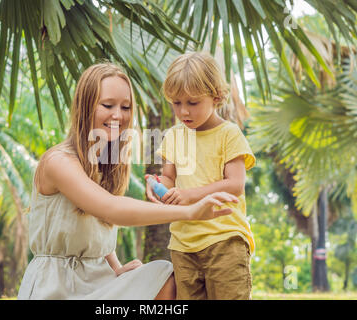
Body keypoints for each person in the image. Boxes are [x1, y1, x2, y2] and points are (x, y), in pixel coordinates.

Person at [17, 62, 239, 300]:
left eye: (125, 107)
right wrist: (190, 212)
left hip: (98, 280)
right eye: (107, 105)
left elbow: (96, 228)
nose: (118, 115)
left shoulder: (105, 165)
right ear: (85, 106)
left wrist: (116, 268)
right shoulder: (58, 162)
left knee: (166, 276)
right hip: (56, 288)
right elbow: (111, 209)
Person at [146, 52, 256, 300]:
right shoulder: (173, 136)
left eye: (193, 103)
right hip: (183, 245)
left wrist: (189, 195)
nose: (183, 111)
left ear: (216, 97)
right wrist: (157, 187)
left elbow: (235, 184)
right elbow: (169, 179)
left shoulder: (229, 134)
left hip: (225, 240)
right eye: (176, 103)